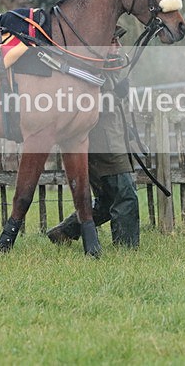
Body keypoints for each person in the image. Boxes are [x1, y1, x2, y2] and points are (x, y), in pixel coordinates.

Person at [46, 27, 139, 248]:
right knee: (125, 195)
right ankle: (127, 249)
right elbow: (86, 105)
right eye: (112, 41)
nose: (117, 46)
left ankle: (63, 233)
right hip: (102, 143)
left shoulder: (113, 69)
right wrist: (116, 95)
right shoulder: (90, 71)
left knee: (107, 201)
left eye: (118, 42)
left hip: (114, 140)